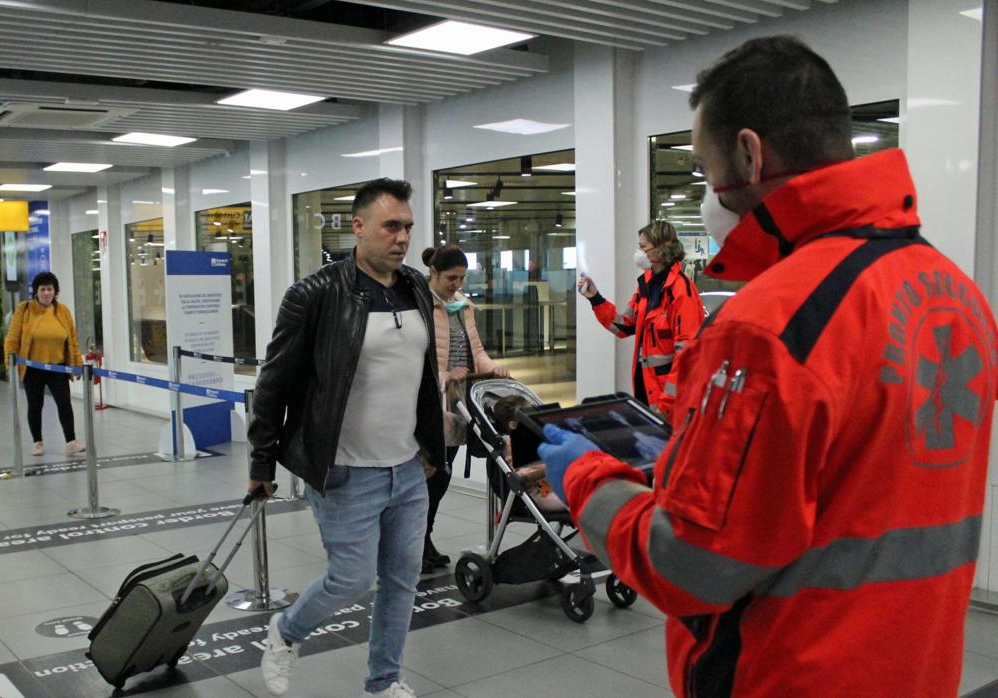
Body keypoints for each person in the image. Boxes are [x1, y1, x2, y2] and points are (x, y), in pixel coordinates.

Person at [539, 36, 998, 698]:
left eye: (703, 167)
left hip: (790, 674)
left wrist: (587, 480)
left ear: (750, 155)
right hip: (919, 671)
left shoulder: (769, 323)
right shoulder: (955, 292)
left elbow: (693, 566)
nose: (705, 191)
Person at [247, 178, 444, 698]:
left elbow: (422, 374)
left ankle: (383, 682)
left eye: (407, 227)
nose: (402, 238)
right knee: (352, 580)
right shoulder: (315, 295)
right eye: (391, 227)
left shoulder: (416, 288)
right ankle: (286, 632)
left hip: (405, 469)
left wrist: (428, 446)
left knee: (402, 583)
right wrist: (262, 463)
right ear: (358, 228)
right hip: (344, 470)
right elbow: (274, 382)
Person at [422, 244, 508, 572]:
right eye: (450, 278)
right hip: (432, 402)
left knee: (441, 476)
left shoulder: (463, 306)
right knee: (429, 475)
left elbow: (477, 351)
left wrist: (493, 366)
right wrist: (446, 375)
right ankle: (417, 541)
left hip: (459, 402)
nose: (456, 284)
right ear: (433, 273)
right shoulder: (422, 307)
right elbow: (416, 362)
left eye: (461, 277)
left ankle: (423, 539)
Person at [577, 220, 705, 420]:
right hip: (647, 389)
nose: (639, 251)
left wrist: (667, 404)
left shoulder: (681, 291)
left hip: (669, 399)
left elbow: (688, 355)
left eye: (643, 246)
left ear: (662, 248)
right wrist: (595, 298)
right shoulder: (647, 286)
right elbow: (624, 325)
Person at [4, 271, 85, 457]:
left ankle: (71, 441)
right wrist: (10, 363)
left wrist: (77, 363)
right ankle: (37, 441)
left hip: (58, 368)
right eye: (43, 289)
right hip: (33, 368)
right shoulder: (24, 310)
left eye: (50, 289)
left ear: (55, 291)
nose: (46, 293)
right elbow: (12, 339)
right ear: (36, 292)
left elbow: (73, 339)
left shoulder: (63, 311)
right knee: (35, 405)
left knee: (65, 404)